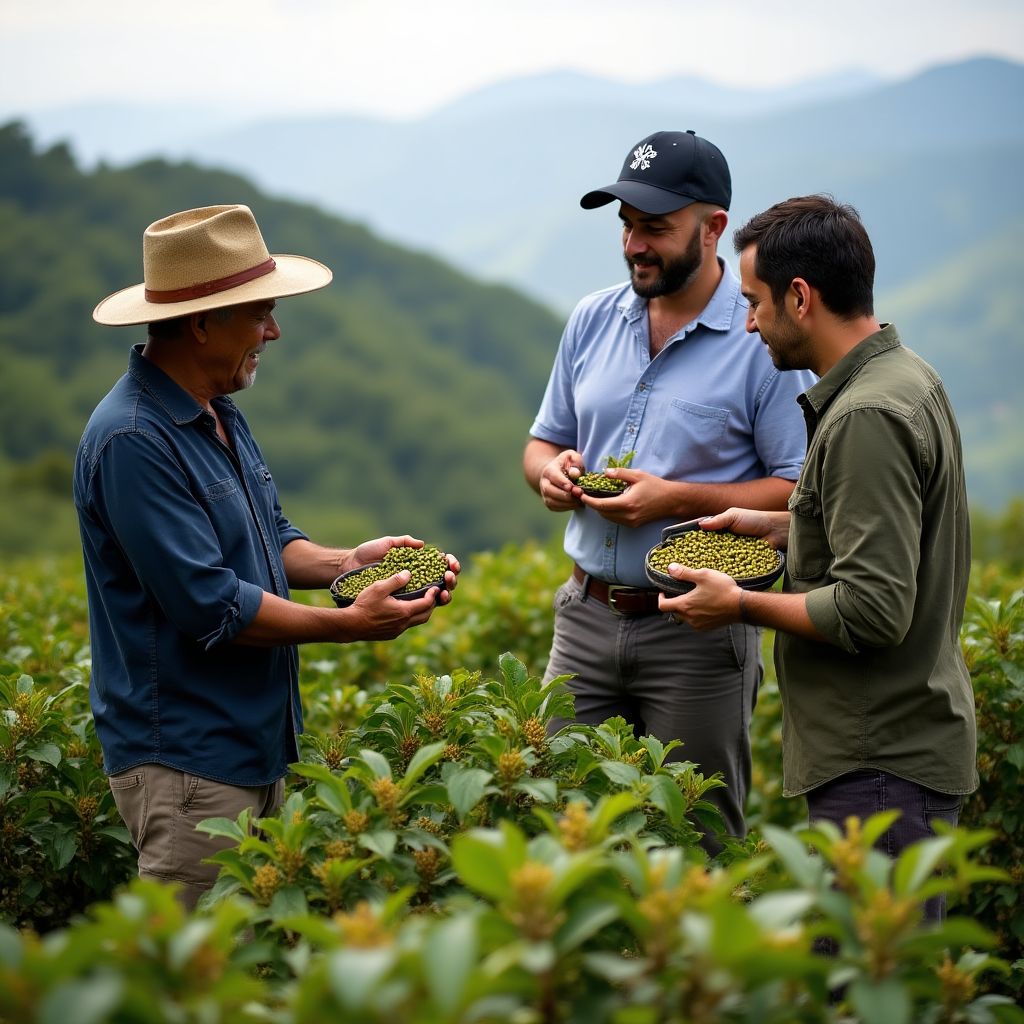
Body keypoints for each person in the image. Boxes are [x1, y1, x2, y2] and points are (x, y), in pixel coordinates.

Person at [74, 204, 459, 908]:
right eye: (261, 315)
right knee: (196, 963)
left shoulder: (215, 410)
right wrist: (349, 625)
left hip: (251, 748)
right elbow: (211, 604)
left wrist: (349, 564)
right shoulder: (134, 440)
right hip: (189, 763)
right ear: (201, 323)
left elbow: (271, 537)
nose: (273, 332)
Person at [660, 195, 977, 917]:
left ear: (800, 298)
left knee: (866, 971)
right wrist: (781, 527)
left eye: (754, 302)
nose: (748, 323)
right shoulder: (906, 377)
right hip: (895, 752)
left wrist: (737, 604)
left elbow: (872, 608)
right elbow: (892, 537)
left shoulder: (866, 417)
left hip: (879, 763)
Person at [522, 131, 815, 846]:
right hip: (585, 616)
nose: (634, 245)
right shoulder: (592, 319)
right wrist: (550, 474)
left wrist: (676, 498)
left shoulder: (763, 340)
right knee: (562, 831)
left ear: (713, 228)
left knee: (696, 838)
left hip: (698, 630)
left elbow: (800, 492)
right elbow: (542, 442)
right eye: (626, 226)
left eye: (654, 227)